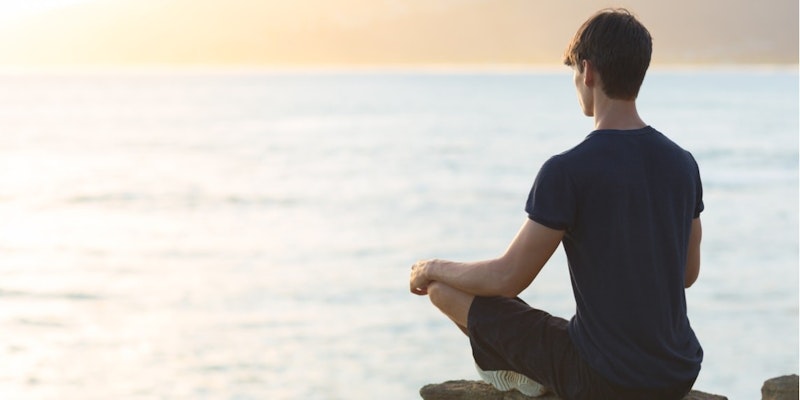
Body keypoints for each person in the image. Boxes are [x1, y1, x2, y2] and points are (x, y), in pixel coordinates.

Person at [409, 8, 704, 400]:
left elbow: (507, 278)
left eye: (574, 74)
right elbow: (686, 273)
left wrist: (431, 267)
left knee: (441, 290)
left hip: (604, 381)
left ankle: (514, 368)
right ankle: (519, 365)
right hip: (678, 371)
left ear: (588, 72)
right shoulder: (682, 162)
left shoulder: (568, 170)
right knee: (552, 327)